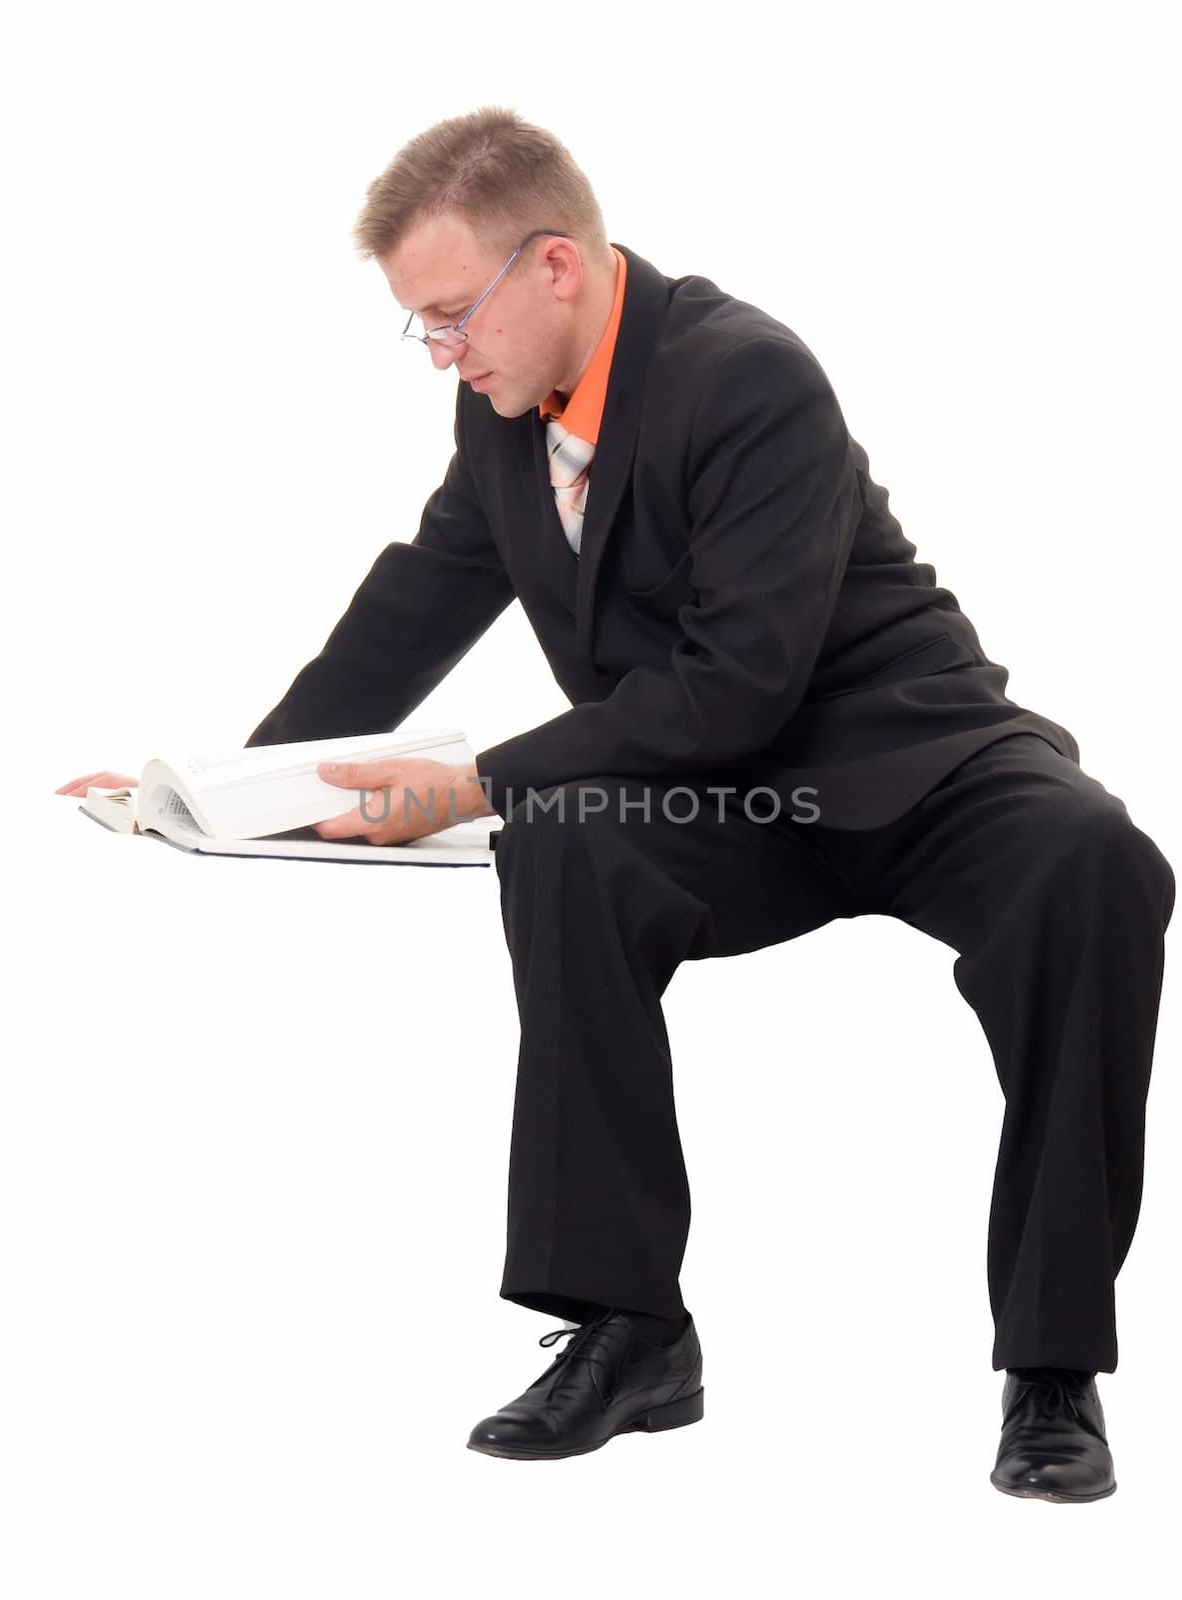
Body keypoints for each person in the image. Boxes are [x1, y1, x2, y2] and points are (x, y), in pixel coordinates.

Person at [57, 107, 1174, 1499]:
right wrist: (222, 790)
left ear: (556, 268)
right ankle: (629, 1328)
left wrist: (466, 783)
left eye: (454, 316)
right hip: (718, 791)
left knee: (1095, 860)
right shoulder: (503, 417)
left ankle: (1052, 1366)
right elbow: (411, 608)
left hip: (907, 757)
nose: (445, 354)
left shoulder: (745, 375)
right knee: (562, 845)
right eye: (424, 328)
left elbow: (740, 684)